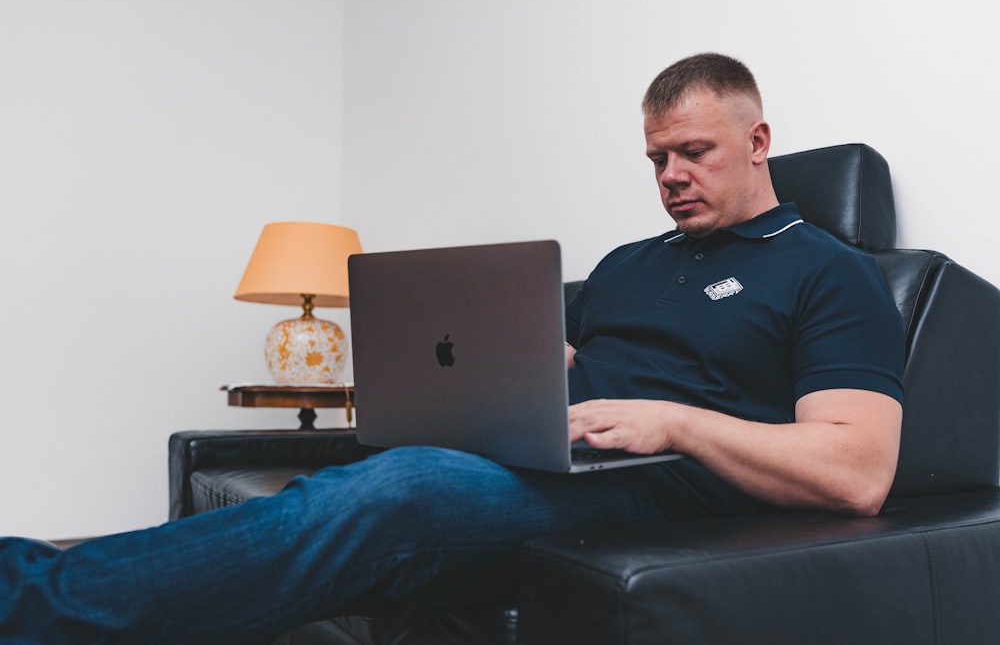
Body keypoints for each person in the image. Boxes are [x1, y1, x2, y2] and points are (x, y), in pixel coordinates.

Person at [0, 52, 904, 644]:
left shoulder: (830, 272)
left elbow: (858, 471)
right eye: (655, 158)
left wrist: (675, 421)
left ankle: (28, 596)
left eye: (693, 152)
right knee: (370, 469)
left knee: (395, 491)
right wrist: (517, 368)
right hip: (567, 461)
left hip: (666, 492)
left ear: (757, 143)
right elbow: (591, 378)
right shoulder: (630, 264)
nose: (670, 177)